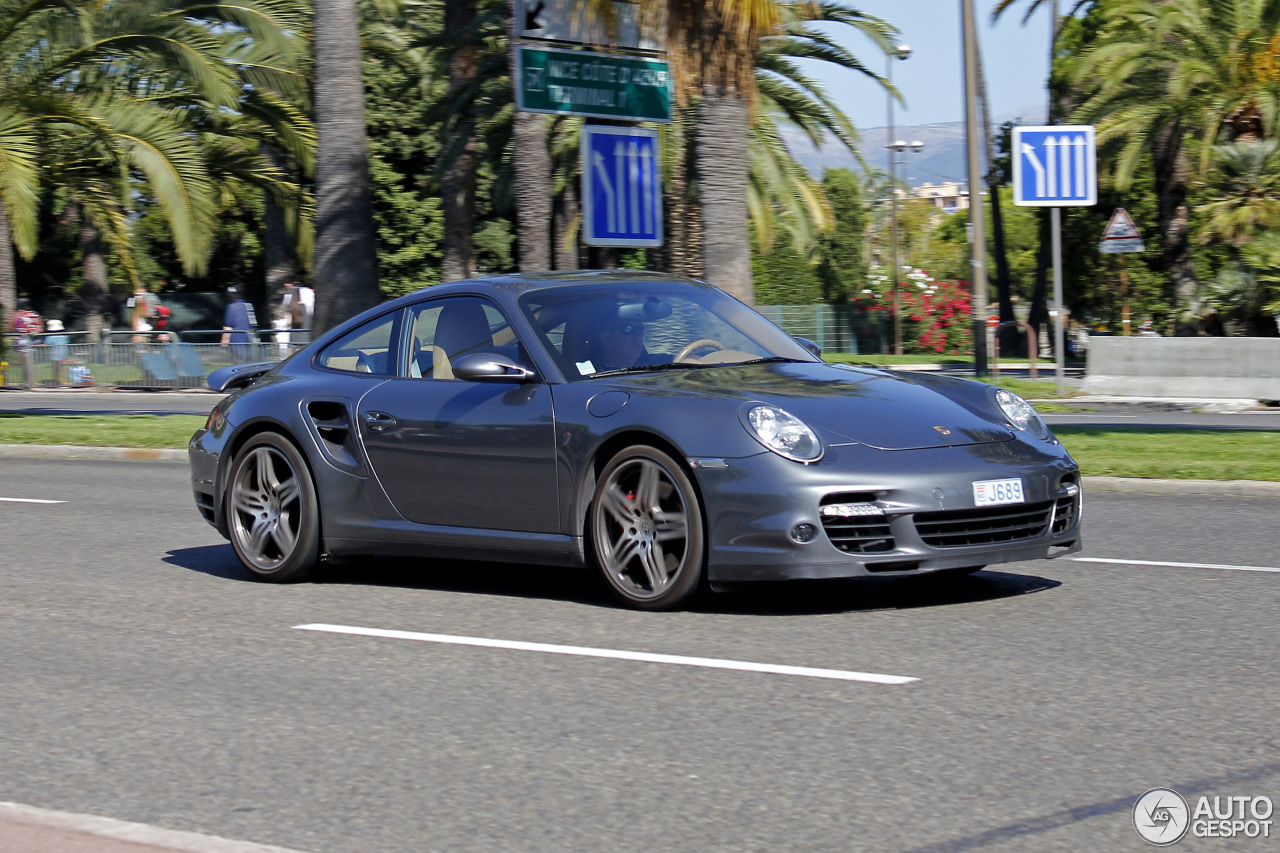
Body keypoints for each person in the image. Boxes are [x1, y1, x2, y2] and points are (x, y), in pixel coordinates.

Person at [9, 297, 43, 388]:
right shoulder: (34, 314)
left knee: (25, 363)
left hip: (22, 340)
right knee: (32, 362)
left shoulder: (16, 314)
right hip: (34, 340)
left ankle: (30, 383)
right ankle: (32, 381)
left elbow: (10, 328)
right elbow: (41, 327)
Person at [221, 286, 258, 362]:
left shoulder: (231, 307)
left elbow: (228, 327)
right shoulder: (248, 305)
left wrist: (224, 341)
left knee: (238, 365)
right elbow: (253, 325)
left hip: (236, 341)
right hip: (250, 340)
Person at [42, 319, 71, 385]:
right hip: (64, 352)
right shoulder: (64, 335)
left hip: (55, 354)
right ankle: (59, 381)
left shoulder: (51, 336)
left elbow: (46, 344)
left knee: (57, 369)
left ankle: (63, 382)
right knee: (60, 368)